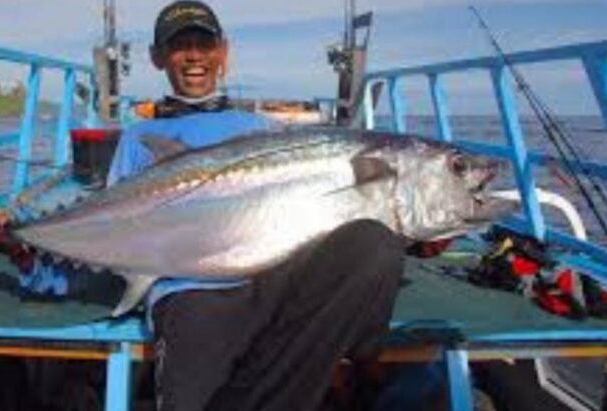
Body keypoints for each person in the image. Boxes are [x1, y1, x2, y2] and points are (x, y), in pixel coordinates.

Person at [107, 2, 405, 411]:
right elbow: (107, 225)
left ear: (223, 52)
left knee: (375, 244)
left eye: (203, 44)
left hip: (275, 276)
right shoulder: (139, 136)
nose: (193, 56)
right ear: (157, 57)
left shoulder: (263, 129)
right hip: (191, 290)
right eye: (179, 46)